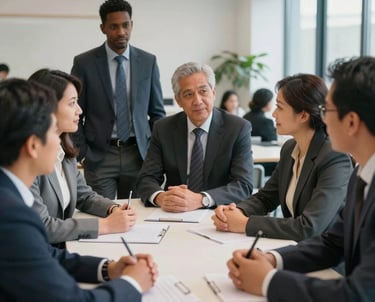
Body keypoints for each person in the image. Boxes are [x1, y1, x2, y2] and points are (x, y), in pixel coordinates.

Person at [227, 56, 375, 301]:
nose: (323, 118)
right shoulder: (361, 175)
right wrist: (273, 259)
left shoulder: (341, 163)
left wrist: (268, 281)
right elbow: (333, 243)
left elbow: (360, 293)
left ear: (351, 122)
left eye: (327, 110)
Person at [0, 78, 158, 301]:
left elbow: (45, 254)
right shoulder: (10, 217)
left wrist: (108, 269)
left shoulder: (9, 196)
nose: (60, 143)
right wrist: (133, 283)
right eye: (54, 132)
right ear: (33, 146)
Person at [213, 74, 353, 241]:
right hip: (295, 249)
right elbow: (266, 198)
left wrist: (245, 223)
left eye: (280, 107)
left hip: (327, 261)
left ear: (303, 115)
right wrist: (237, 211)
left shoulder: (334, 157)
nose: (273, 114)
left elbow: (309, 227)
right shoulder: (289, 149)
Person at [28, 69, 136, 247]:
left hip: (62, 250)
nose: (80, 110)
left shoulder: (64, 150)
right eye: (72, 103)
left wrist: (113, 209)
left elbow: (84, 196)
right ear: (47, 107)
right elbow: (42, 226)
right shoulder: (27, 160)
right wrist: (106, 225)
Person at [71, 0, 165, 200]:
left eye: (125, 25)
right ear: (103, 28)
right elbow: (75, 113)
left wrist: (152, 153)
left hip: (139, 155)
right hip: (99, 156)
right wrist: (83, 153)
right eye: (114, 26)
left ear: (132, 25)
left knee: (138, 217)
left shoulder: (148, 61)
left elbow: (157, 113)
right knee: (102, 217)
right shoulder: (84, 63)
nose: (121, 32)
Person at [136, 62, 253, 212]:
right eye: (188, 94)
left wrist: (201, 199)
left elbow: (243, 185)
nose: (197, 101)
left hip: (219, 211)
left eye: (203, 91)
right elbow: (146, 178)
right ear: (178, 101)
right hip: (175, 213)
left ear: (213, 92)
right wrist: (161, 197)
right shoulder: (164, 128)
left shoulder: (237, 128)